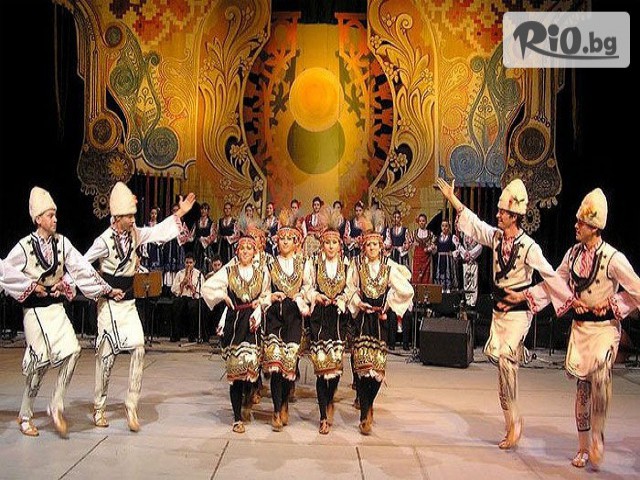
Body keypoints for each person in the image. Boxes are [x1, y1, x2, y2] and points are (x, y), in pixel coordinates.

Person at [505, 188, 640, 469]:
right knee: (583, 389)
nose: (576, 226)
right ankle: (582, 446)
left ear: (594, 227)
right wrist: (525, 296)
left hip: (604, 329)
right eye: (577, 221)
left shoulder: (612, 258)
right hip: (581, 330)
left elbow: (637, 289)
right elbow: (555, 282)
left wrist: (613, 302)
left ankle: (597, 435)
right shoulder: (573, 254)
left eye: (581, 223)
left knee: (600, 375)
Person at [436, 177, 569, 450]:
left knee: (507, 361)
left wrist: (529, 296)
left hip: (519, 312)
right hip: (499, 312)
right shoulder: (496, 237)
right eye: (498, 211)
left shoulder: (530, 247)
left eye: (502, 212)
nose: (497, 215)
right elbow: (475, 224)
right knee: (502, 370)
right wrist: (453, 198)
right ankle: (510, 421)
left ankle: (515, 422)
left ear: (514, 216)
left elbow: (551, 276)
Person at [4, 187, 121, 438]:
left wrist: (102, 289)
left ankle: (56, 404)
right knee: (40, 361)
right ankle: (25, 414)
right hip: (35, 310)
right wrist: (30, 285)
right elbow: (4, 271)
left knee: (73, 350)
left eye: (55, 214)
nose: (55, 219)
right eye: (50, 215)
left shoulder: (62, 243)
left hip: (55, 308)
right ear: (38, 219)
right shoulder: (25, 246)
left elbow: (81, 267)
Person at [84, 182, 195, 432]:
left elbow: (157, 232)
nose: (134, 220)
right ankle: (99, 407)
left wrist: (180, 213)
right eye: (129, 216)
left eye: (134, 216)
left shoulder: (135, 233)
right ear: (117, 217)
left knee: (138, 348)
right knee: (106, 357)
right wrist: (103, 288)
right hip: (108, 305)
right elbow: (82, 265)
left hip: (129, 303)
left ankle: (131, 405)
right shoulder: (103, 241)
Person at [345, 213, 414, 435]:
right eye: (368, 244)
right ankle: (365, 414)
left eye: (375, 244)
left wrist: (389, 303)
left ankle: (369, 404)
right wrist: (358, 302)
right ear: (363, 246)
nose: (372, 248)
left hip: (380, 322)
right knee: (362, 369)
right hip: (362, 321)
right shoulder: (356, 264)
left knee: (377, 371)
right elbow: (349, 288)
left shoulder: (388, 266)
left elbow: (407, 290)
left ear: (381, 245)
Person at [201, 234, 271, 433]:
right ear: (237, 251)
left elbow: (267, 294)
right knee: (235, 372)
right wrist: (223, 296)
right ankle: (237, 418)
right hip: (235, 322)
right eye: (242, 248)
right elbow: (207, 288)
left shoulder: (261, 272)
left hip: (252, 323)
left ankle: (247, 400)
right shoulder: (229, 271)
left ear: (254, 252)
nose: (246, 251)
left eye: (249, 248)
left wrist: (260, 303)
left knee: (250, 368)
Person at [302, 207, 350, 434]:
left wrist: (342, 299)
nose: (331, 247)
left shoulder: (347, 265)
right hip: (320, 318)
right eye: (327, 243)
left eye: (334, 243)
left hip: (338, 319)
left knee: (336, 369)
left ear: (339, 245)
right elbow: (307, 287)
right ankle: (323, 416)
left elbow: (351, 288)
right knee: (321, 369)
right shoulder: (313, 263)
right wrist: (315, 296)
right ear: (322, 244)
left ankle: (330, 399)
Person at [263, 209, 309, 431]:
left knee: (288, 367)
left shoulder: (303, 263)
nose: (285, 242)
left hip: (293, 318)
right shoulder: (270, 264)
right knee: (274, 366)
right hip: (274, 317)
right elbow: (263, 291)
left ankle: (284, 405)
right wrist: (270, 297)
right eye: (282, 239)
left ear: (296, 241)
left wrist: (301, 297)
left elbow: (308, 287)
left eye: (289, 239)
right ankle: (275, 410)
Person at [170, 253, 204, 342]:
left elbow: (202, 291)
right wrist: (182, 283)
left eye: (190, 263)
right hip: (182, 296)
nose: (188, 265)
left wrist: (192, 287)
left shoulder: (199, 274)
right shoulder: (179, 273)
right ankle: (176, 335)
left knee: (193, 307)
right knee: (176, 305)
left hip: (193, 297)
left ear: (194, 263)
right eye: (187, 262)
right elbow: (173, 289)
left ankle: (192, 336)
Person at [457, 231, 483, 307]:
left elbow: (480, 246)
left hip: (474, 260)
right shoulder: (463, 233)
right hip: (466, 260)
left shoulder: (476, 232)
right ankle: (468, 301)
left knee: (473, 280)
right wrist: (464, 254)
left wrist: (471, 254)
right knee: (466, 280)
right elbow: (459, 245)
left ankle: (473, 302)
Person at [410, 213, 437, 284]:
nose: (422, 222)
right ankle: (416, 290)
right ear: (418, 222)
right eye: (420, 221)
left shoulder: (430, 234)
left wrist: (429, 248)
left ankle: (426, 290)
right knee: (416, 276)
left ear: (426, 222)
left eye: (423, 221)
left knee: (426, 277)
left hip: (426, 258)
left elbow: (434, 244)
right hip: (417, 258)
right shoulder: (414, 233)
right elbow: (408, 242)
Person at [434, 220, 459, 292]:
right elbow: (435, 249)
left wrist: (453, 253)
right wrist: (433, 248)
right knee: (440, 273)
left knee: (448, 272)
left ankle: (448, 288)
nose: (444, 228)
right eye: (443, 226)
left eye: (446, 226)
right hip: (440, 259)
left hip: (448, 259)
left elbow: (458, 247)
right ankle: (441, 287)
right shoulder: (438, 237)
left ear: (449, 227)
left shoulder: (452, 237)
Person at [193, 202, 216, 272]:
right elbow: (191, 236)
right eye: (202, 209)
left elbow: (213, 237)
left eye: (205, 209)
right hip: (197, 247)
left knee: (207, 265)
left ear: (208, 211)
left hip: (207, 248)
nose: (203, 211)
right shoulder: (196, 223)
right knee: (197, 265)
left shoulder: (211, 223)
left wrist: (203, 239)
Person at [140, 207, 163, 271]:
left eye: (155, 213)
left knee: (156, 267)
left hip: (156, 248)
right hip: (148, 247)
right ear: (150, 214)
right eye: (152, 213)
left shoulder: (159, 225)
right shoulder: (146, 225)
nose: (153, 215)